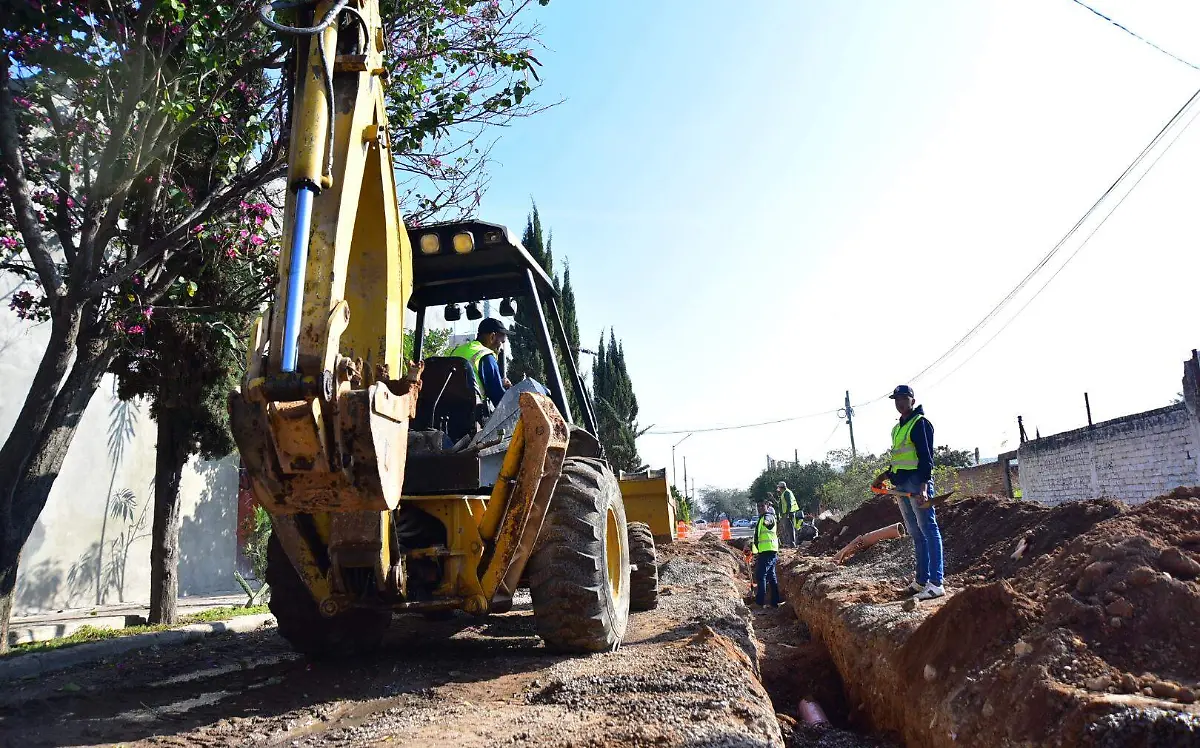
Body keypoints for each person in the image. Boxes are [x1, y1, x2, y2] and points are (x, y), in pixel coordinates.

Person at [873, 385, 944, 600]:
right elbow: (899, 460)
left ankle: (936, 582)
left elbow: (926, 459)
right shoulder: (897, 428)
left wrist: (923, 487)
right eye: (897, 399)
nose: (900, 402)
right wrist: (884, 476)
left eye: (904, 398)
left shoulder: (920, 423)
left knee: (928, 529)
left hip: (917, 484)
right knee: (916, 534)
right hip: (901, 486)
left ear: (913, 400)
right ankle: (921, 580)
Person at [449, 317, 511, 407]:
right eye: (502, 341)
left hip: (448, 411)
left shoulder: (457, 350)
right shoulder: (486, 356)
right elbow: (499, 400)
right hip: (472, 414)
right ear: (492, 337)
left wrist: (500, 383)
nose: (501, 348)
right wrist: (508, 391)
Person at [751, 499, 781, 607]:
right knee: (771, 575)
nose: (760, 508)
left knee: (761, 575)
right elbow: (757, 536)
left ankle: (760, 602)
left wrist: (766, 521)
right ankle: (775, 601)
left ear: (767, 506)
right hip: (766, 550)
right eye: (758, 506)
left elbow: (768, 523)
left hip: (768, 551)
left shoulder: (768, 517)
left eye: (762, 506)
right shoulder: (761, 518)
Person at [775, 481, 800, 548]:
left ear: (781, 488)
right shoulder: (785, 493)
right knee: (788, 529)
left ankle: (792, 543)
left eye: (779, 488)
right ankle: (791, 543)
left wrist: (787, 513)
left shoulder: (786, 493)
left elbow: (789, 504)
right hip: (787, 513)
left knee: (789, 529)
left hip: (788, 514)